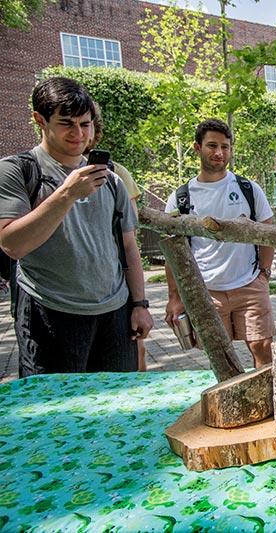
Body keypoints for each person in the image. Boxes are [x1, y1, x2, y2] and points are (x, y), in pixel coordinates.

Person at [0, 76, 153, 376]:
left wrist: (140, 304)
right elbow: (12, 244)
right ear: (40, 120)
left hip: (114, 315)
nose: (79, 133)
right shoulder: (17, 171)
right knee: (55, 416)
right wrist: (67, 193)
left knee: (116, 408)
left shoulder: (111, 179)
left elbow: (128, 246)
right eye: (67, 123)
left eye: (85, 124)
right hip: (50, 314)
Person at [164, 119, 276, 368]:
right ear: (197, 147)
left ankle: (269, 403)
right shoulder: (181, 197)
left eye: (225, 147)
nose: (219, 153)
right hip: (207, 290)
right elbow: (173, 250)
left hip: (249, 284)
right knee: (220, 358)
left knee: (263, 349)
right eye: (212, 146)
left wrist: (264, 274)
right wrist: (175, 297)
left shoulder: (248, 189)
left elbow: (268, 233)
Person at [84, 102, 148, 371]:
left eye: (87, 126)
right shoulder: (35, 172)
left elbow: (128, 235)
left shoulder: (116, 175)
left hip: (115, 287)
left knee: (136, 354)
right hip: (61, 297)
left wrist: (139, 302)